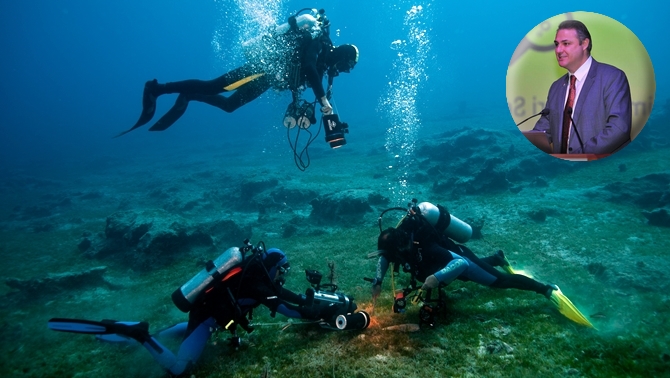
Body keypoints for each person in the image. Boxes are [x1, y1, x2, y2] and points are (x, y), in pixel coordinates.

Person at [49, 247, 330, 376]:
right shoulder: (257, 285)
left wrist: (311, 301)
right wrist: (313, 314)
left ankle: (117, 328)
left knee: (184, 331)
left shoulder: (254, 278)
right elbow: (283, 307)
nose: (283, 275)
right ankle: (140, 335)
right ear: (270, 267)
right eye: (282, 270)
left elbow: (283, 295)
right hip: (206, 320)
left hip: (203, 314)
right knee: (180, 370)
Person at [117, 9, 359, 137]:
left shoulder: (323, 65)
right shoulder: (319, 43)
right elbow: (306, 67)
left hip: (268, 77)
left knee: (229, 106)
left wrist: (310, 112)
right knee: (213, 86)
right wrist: (323, 102)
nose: (344, 71)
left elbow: (300, 79)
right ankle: (156, 89)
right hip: (263, 67)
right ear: (343, 56)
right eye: (347, 66)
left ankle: (189, 96)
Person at [370, 201, 593, 327]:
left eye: (391, 256)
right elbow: (385, 256)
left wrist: (435, 279)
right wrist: (378, 281)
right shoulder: (398, 244)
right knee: (470, 275)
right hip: (446, 265)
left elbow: (458, 263)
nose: (389, 260)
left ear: (401, 247)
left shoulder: (426, 246)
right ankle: (496, 258)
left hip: (460, 258)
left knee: (498, 281)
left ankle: (545, 289)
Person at [532, 20, 631, 155]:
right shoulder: (556, 87)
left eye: (565, 44)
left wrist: (578, 158)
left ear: (584, 44)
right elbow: (544, 129)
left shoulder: (612, 77)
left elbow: (619, 129)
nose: (558, 50)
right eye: (556, 44)